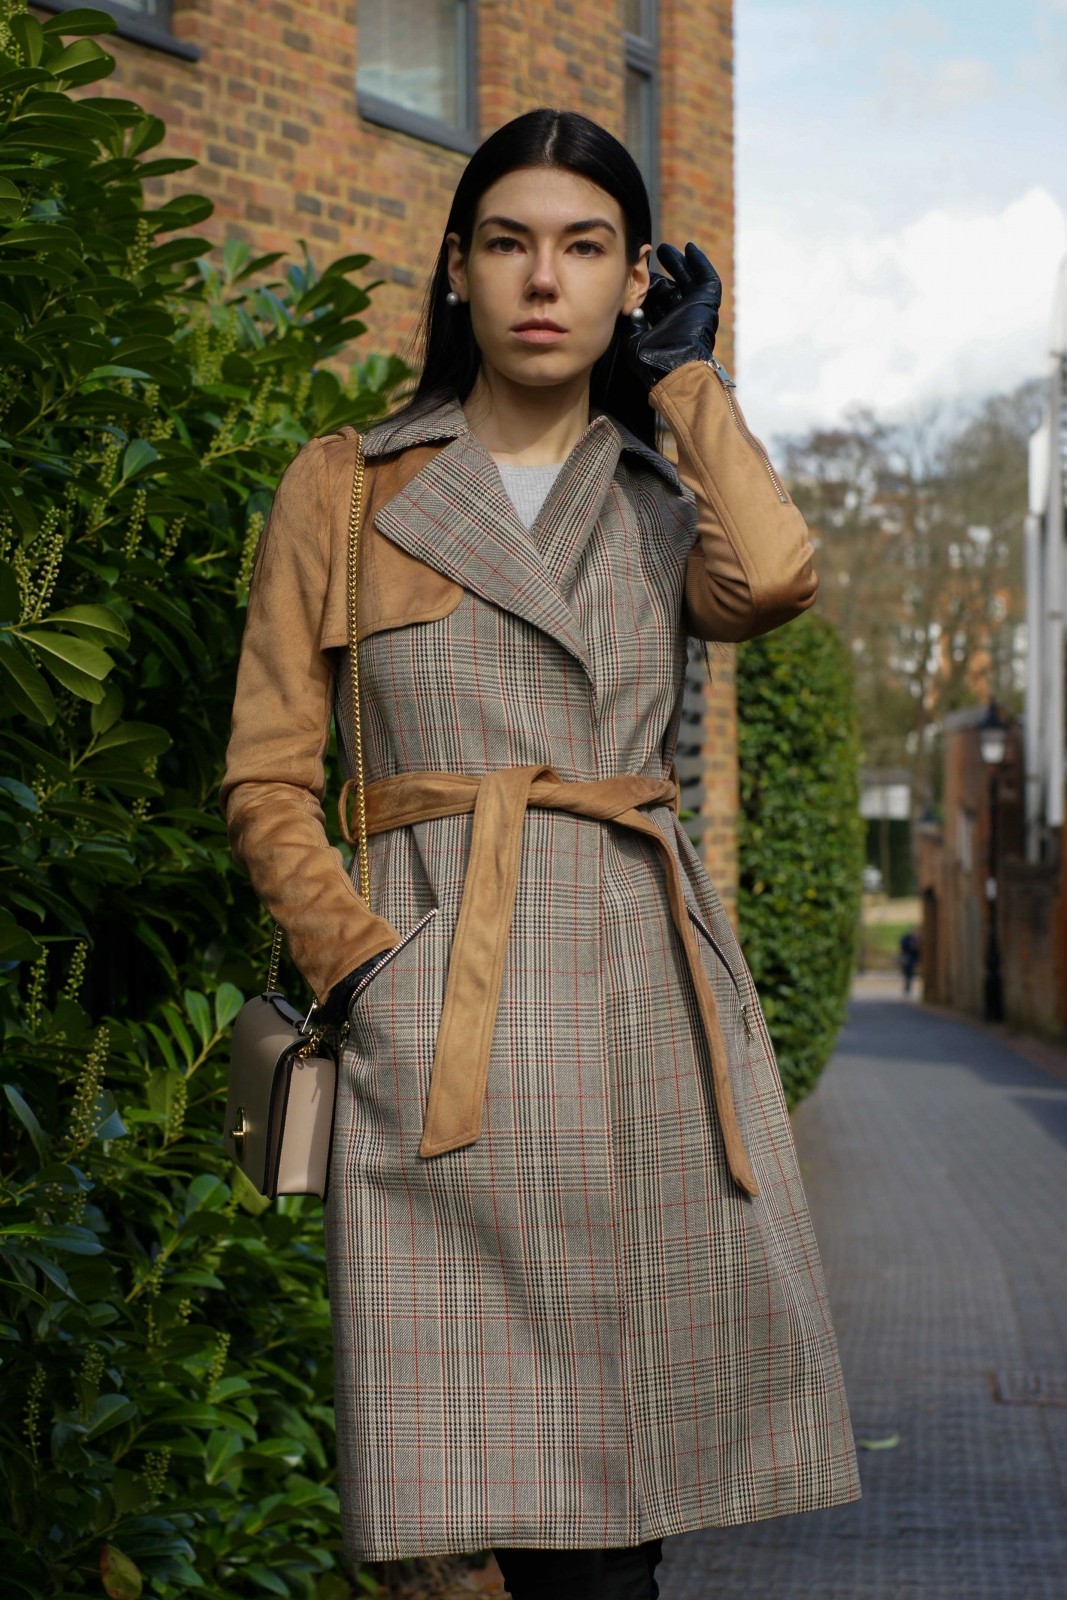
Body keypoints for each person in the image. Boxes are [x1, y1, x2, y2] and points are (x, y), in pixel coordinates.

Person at [219, 108, 862, 1600]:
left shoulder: (657, 495)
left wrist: (689, 380)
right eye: (507, 242)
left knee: (606, 1533)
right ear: (455, 269)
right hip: (434, 1033)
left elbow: (772, 577)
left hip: (635, 1039)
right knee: (445, 1544)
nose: (540, 279)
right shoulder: (350, 484)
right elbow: (266, 776)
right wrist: (364, 965)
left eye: (585, 249)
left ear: (629, 280)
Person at [899, 927, 921, 994]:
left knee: (910, 972)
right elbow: (903, 946)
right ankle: (907, 985)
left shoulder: (918, 938)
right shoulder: (907, 938)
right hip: (908, 957)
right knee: (907, 972)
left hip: (913, 958)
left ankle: (908, 985)